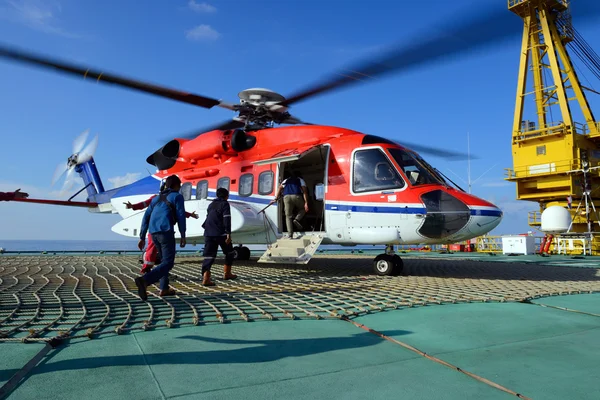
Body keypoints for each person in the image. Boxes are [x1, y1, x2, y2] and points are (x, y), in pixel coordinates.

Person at [134, 175, 187, 300]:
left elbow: (146, 217)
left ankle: (164, 289)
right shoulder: (177, 197)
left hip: (153, 233)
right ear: (176, 185)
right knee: (168, 263)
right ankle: (145, 280)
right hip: (165, 231)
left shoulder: (156, 199)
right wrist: (183, 234)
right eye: (179, 186)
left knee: (164, 262)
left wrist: (142, 237)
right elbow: (181, 216)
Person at [124, 188, 198, 274]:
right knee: (153, 249)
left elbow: (177, 210)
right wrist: (133, 206)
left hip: (156, 229)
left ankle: (158, 273)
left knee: (158, 250)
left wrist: (189, 214)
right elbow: (144, 204)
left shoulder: (157, 199)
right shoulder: (157, 198)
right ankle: (147, 269)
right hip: (161, 229)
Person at [200, 187, 237, 286]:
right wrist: (228, 233)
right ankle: (227, 273)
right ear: (226, 196)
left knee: (209, 256)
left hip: (208, 233)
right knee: (230, 253)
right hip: (220, 233)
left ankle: (206, 278)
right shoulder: (225, 204)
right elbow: (227, 219)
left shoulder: (211, 204)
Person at [270, 170, 309, 239]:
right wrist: (306, 203)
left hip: (286, 197)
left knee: (288, 216)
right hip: (296, 196)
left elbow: (279, 187)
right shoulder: (300, 180)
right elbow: (304, 191)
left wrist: (276, 198)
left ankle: (290, 235)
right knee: (303, 209)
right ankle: (297, 219)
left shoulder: (286, 180)